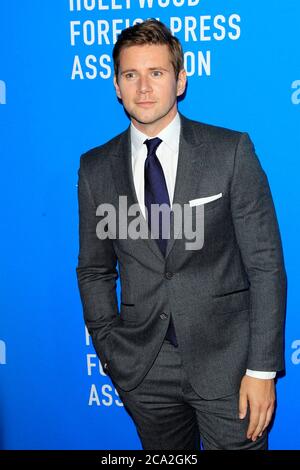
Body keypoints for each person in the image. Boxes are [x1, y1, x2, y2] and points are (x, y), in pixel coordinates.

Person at [76, 18, 287, 450]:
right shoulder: (95, 167)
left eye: (156, 73)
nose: (144, 88)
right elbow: (95, 269)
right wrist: (110, 348)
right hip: (143, 368)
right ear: (117, 85)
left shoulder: (230, 152)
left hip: (229, 365)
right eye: (131, 75)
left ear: (180, 79)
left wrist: (262, 370)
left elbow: (265, 265)